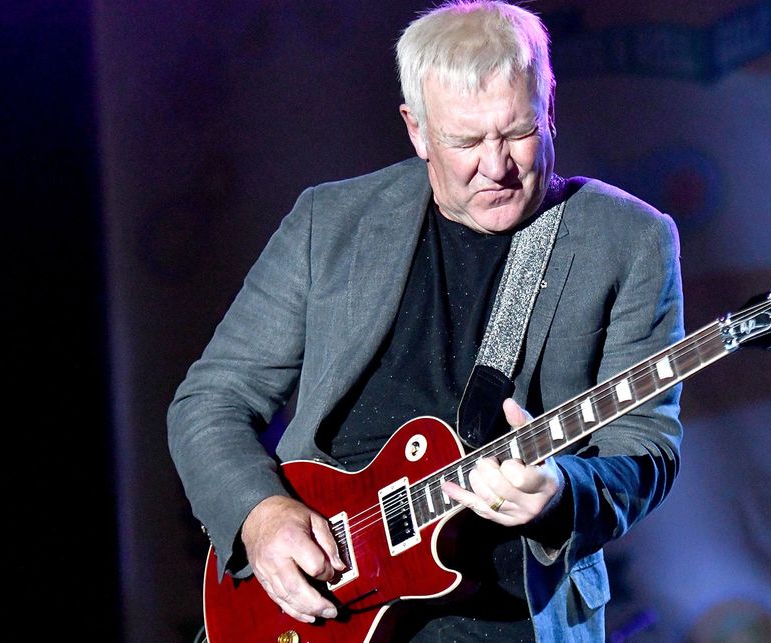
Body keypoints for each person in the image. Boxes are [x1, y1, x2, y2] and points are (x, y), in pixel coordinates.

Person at [168, 1, 684, 640]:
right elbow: (210, 402)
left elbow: (647, 448)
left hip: (508, 612)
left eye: (518, 131)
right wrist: (262, 515)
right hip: (321, 599)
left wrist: (559, 491)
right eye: (466, 141)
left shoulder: (629, 239)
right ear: (417, 131)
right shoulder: (329, 223)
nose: (496, 166)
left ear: (549, 109)